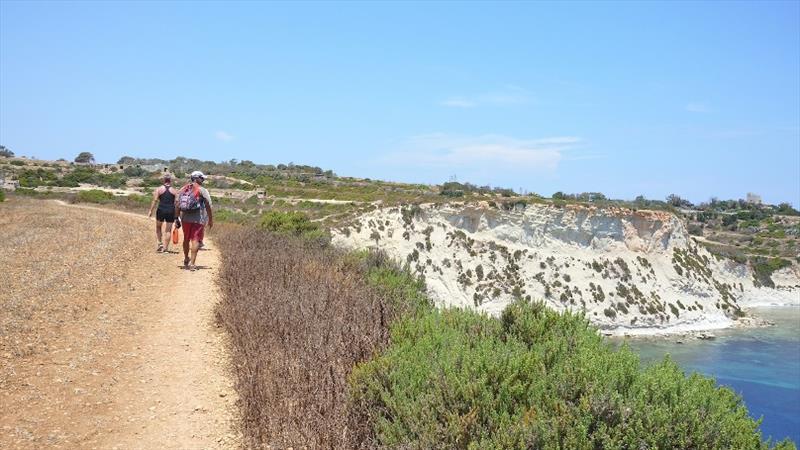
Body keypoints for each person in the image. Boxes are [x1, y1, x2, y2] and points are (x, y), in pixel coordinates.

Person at [175, 171, 213, 271]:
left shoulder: (183, 189)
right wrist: (210, 219)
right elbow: (208, 205)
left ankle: (186, 258)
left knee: (186, 239)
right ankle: (192, 264)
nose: (203, 180)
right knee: (195, 240)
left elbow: (177, 203)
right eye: (202, 178)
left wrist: (176, 217)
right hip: (198, 219)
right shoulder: (202, 190)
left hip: (185, 218)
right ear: (197, 178)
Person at [147, 174, 179, 252]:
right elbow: (177, 203)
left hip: (161, 210)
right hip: (171, 210)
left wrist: (151, 210)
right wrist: (177, 215)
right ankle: (166, 249)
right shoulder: (174, 191)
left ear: (164, 180)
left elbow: (154, 200)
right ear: (170, 181)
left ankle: (160, 243)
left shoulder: (159, 189)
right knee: (168, 230)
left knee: (158, 227)